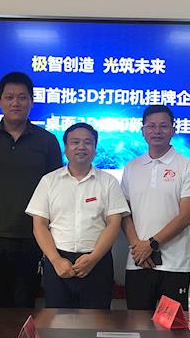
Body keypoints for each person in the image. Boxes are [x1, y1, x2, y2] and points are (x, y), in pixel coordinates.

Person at [0, 72, 62, 308]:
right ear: (0, 101)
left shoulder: (47, 141)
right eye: (9, 97)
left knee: (25, 306)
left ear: (31, 101)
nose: (15, 103)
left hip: (31, 238)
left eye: (22, 97)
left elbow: (56, 189)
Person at [26, 123, 129, 309]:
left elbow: (114, 223)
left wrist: (94, 258)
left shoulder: (108, 182)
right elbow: (39, 225)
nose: (81, 147)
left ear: (95, 148)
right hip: (58, 261)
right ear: (65, 147)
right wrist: (56, 260)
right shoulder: (49, 181)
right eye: (75, 142)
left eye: (88, 142)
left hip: (97, 262)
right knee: (57, 321)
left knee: (97, 321)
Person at [120, 105, 190, 310]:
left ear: (173, 130)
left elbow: (186, 216)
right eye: (151, 126)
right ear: (143, 131)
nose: (157, 131)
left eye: (163, 126)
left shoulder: (188, 166)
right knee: (137, 324)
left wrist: (152, 244)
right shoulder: (132, 167)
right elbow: (124, 214)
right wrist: (138, 247)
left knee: (174, 326)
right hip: (139, 262)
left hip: (176, 265)